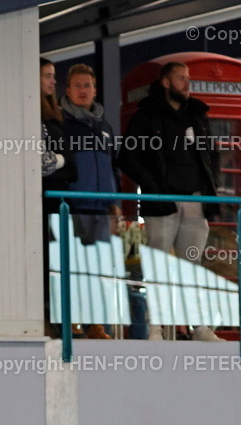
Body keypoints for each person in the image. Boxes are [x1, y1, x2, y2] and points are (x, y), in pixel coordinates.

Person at [117, 62, 222, 342]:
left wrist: (210, 187)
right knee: (158, 268)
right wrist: (152, 187)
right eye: (181, 78)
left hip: (195, 201)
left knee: (193, 266)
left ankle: (198, 327)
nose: (188, 83)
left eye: (188, 78)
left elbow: (212, 153)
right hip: (161, 203)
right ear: (166, 82)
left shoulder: (198, 115)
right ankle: (156, 329)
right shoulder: (146, 115)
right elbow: (126, 156)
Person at [60, 63, 120, 340]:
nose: (83, 90)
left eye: (87, 85)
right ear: (68, 90)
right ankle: (71, 322)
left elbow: (112, 166)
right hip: (71, 207)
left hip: (101, 210)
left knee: (99, 271)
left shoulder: (104, 126)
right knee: (70, 269)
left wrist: (115, 201)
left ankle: (96, 325)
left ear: (95, 90)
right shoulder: (60, 123)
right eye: (78, 86)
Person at [40, 58, 77, 334]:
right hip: (44, 204)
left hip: (60, 203)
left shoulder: (55, 116)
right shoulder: (34, 115)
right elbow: (44, 165)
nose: (54, 82)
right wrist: (65, 161)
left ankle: (64, 321)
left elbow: (64, 167)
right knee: (45, 266)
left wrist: (62, 162)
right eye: (48, 76)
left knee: (61, 265)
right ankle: (47, 321)